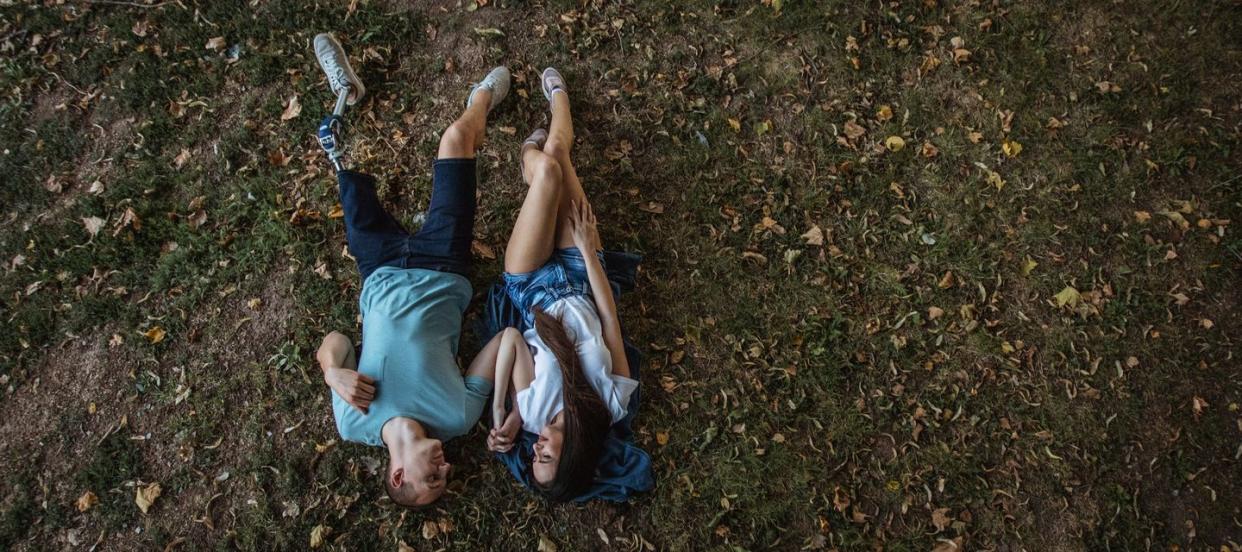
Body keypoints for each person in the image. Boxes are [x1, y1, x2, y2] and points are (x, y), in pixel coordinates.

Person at [314, 54, 514, 507]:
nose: (446, 466)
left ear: (399, 473)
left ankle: (346, 92)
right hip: (444, 264)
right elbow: (503, 342)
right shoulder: (458, 417)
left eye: (434, 478)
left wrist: (333, 375)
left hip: (378, 268)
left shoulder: (353, 424)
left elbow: (336, 340)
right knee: (457, 138)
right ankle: (481, 99)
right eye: (446, 475)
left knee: (342, 166)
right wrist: (505, 408)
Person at [484, 68, 640, 502]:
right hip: (579, 272)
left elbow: (513, 337)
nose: (536, 449)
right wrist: (589, 251)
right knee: (556, 153)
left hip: (531, 282)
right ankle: (560, 101)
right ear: (572, 455)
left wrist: (503, 410)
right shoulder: (611, 404)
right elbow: (609, 317)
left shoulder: (530, 414)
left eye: (533, 457)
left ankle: (525, 156)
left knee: (547, 171)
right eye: (546, 457)